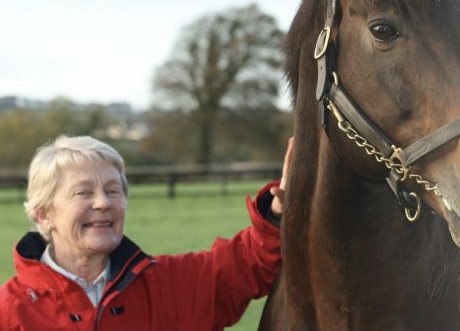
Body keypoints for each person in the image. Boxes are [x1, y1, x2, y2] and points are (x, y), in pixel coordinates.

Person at [0, 135, 292, 331]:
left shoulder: (167, 285)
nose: (103, 202)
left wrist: (279, 210)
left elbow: (247, 263)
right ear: (44, 213)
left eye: (113, 190)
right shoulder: (10, 312)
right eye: (83, 192)